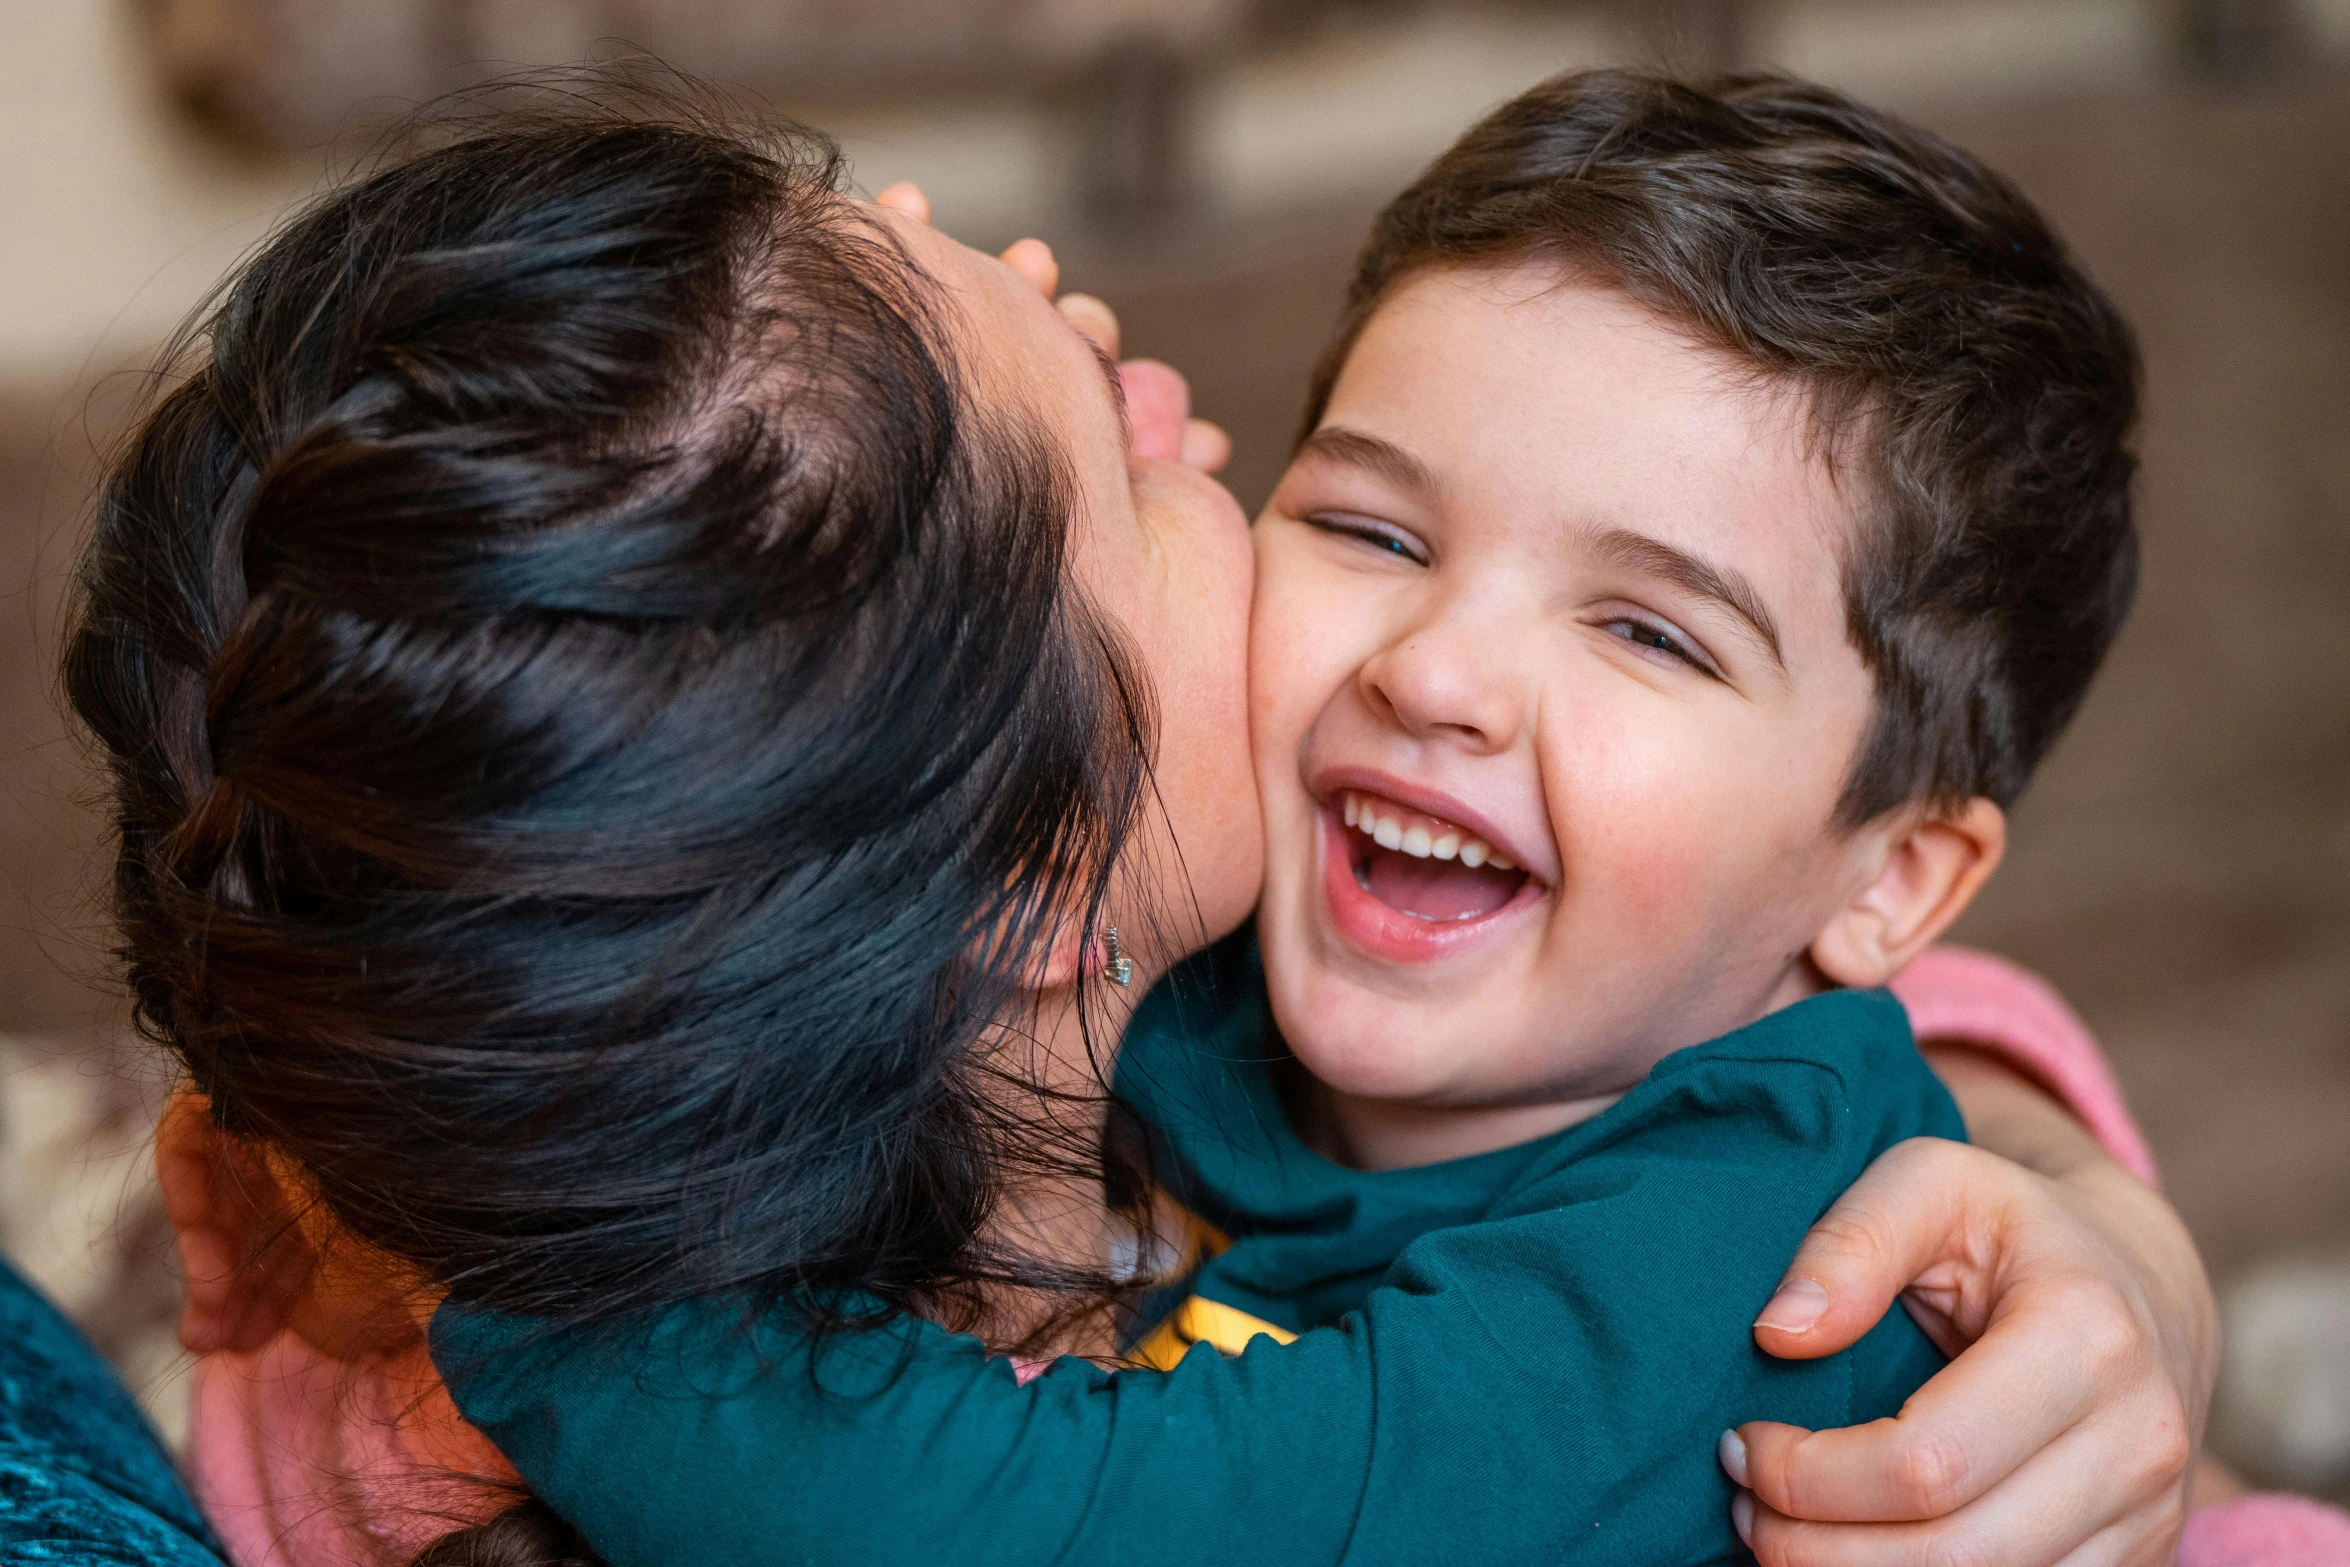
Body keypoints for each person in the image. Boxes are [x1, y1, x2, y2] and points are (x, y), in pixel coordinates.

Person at [67, 76, 2245, 1567]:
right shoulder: (457, 1374)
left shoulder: (1770, 1271)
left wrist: (2061, 1179)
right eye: (1359, 527)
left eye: (1650, 636)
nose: (1437, 671)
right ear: (1020, 876)